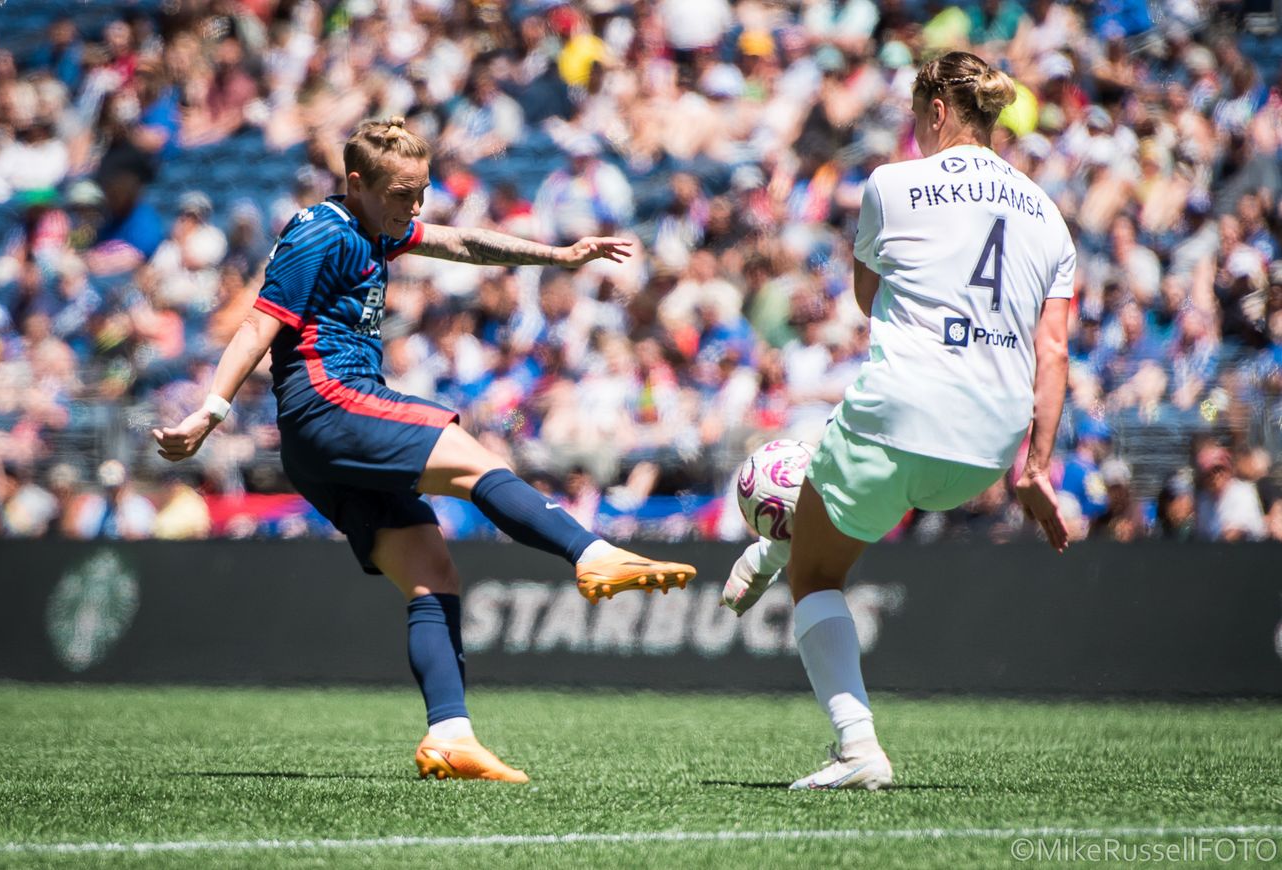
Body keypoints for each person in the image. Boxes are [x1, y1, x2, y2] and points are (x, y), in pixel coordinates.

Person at [151, 117, 695, 784]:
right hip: (330, 403)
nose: (416, 209)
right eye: (403, 194)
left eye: (422, 192)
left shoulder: (378, 224)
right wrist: (211, 408)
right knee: (472, 455)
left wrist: (558, 257)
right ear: (358, 184)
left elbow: (461, 240)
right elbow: (258, 326)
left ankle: (449, 733)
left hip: (326, 437)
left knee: (432, 571)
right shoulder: (319, 230)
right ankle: (590, 554)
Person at [721, 52, 1075, 790]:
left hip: (903, 409)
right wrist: (1035, 468)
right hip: (990, 443)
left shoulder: (891, 184)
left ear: (938, 112)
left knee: (820, 574)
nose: (914, 130)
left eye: (917, 117)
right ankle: (780, 546)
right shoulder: (1048, 214)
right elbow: (1053, 350)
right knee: (868, 493)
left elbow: (867, 297)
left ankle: (857, 747)